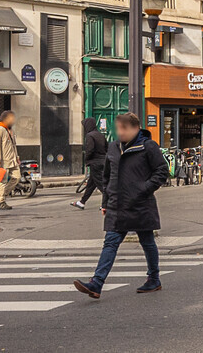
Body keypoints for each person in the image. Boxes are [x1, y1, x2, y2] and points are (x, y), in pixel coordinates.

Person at [73, 112, 168, 299]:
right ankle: (96, 283)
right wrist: (106, 202)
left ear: (135, 128)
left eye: (124, 128)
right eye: (118, 128)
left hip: (140, 204)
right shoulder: (114, 148)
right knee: (110, 242)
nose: (120, 132)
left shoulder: (148, 146)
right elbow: (107, 177)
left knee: (147, 242)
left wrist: (144, 189)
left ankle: (154, 278)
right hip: (117, 205)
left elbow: (161, 171)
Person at [73, 122, 108, 208]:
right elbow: (107, 147)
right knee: (91, 184)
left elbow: (90, 150)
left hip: (95, 163)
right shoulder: (101, 135)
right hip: (103, 161)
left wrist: (86, 160)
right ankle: (82, 202)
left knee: (101, 184)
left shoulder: (90, 136)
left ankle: (107, 203)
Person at [0, 110, 20, 210]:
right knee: (2, 181)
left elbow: (13, 145)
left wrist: (17, 157)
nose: (13, 120)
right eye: (11, 118)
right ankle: (0, 201)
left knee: (17, 178)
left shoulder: (10, 130)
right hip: (3, 160)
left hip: (12, 160)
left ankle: (0, 195)